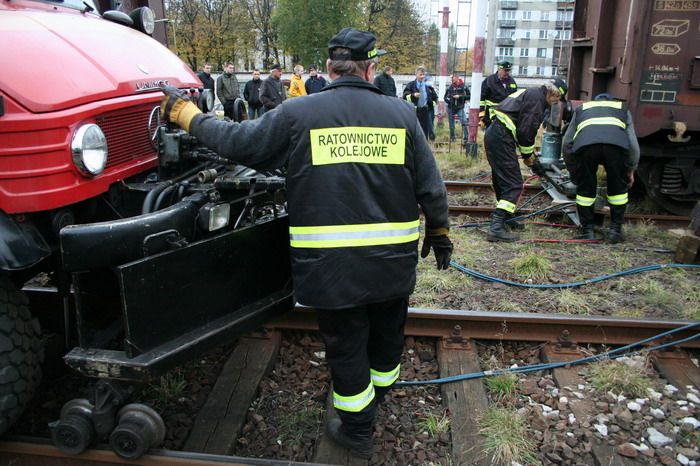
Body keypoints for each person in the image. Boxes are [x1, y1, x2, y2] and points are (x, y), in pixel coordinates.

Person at [160, 27, 452, 460]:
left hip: (331, 266)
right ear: (370, 69)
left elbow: (239, 143)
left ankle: (357, 428)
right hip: (392, 261)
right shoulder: (402, 114)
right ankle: (378, 395)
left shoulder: (299, 113)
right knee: (387, 334)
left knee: (347, 343)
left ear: (330, 68)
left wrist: (187, 114)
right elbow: (431, 186)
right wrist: (440, 232)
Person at [483, 79, 566, 242]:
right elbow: (526, 132)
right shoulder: (538, 99)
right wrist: (530, 158)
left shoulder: (532, 92)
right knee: (513, 184)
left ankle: (506, 218)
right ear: (554, 93)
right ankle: (496, 227)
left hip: (495, 134)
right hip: (501, 136)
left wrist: (530, 158)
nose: (555, 103)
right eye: (557, 100)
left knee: (502, 181)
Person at [562, 93, 640, 243]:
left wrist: (573, 168)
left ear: (595, 102)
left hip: (587, 146)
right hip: (616, 147)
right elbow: (632, 143)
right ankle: (615, 232)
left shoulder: (582, 108)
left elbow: (567, 142)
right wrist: (631, 168)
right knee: (618, 191)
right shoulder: (622, 109)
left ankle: (587, 231)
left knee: (586, 190)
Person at [403, 66, 438, 140]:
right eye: (420, 75)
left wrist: (431, 105)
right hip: (414, 111)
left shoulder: (428, 86)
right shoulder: (411, 85)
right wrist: (413, 95)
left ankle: (424, 143)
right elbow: (405, 96)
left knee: (425, 130)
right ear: (416, 74)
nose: (422, 76)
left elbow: (435, 98)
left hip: (425, 111)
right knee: (414, 129)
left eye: (423, 75)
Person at [480, 60, 518, 127]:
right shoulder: (489, 80)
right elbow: (481, 98)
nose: (507, 73)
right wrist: (482, 114)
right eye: (505, 70)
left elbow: (515, 97)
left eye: (508, 71)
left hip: (506, 115)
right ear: (499, 69)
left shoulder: (511, 81)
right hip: (492, 115)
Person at [444, 72, 470, 143]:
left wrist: (460, 97)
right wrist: (450, 101)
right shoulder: (450, 87)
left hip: (460, 108)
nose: (451, 79)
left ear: (457, 77)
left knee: (464, 122)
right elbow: (445, 97)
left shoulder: (464, 87)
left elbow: (469, 96)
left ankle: (466, 138)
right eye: (451, 78)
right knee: (451, 124)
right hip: (450, 108)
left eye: (453, 78)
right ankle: (453, 138)